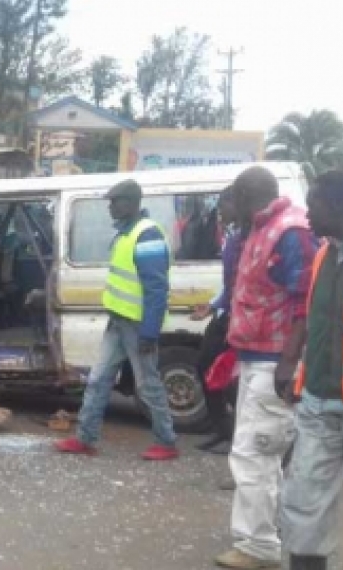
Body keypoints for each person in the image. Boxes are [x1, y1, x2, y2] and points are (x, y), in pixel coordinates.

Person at [214, 166, 317, 570]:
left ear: (244, 196)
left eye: (234, 198)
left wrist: (289, 360)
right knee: (262, 454)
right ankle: (263, 536)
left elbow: (306, 300)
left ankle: (258, 546)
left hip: (275, 363)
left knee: (253, 455)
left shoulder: (289, 232)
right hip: (257, 358)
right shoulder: (261, 229)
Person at [281, 170, 343, 570]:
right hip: (318, 405)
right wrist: (292, 365)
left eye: (313, 206)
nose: (307, 215)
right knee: (303, 509)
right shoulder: (324, 253)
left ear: (337, 207)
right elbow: (315, 318)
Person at [56, 179, 178, 461]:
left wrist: (149, 332)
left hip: (136, 326)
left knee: (147, 385)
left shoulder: (146, 235)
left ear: (132, 203)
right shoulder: (127, 232)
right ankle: (85, 438)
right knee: (98, 380)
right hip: (119, 322)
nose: (110, 207)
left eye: (115, 201)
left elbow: (156, 289)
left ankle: (167, 442)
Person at [190, 186, 242, 456]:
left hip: (239, 317)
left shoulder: (249, 239)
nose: (219, 211)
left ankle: (234, 432)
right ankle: (223, 429)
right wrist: (212, 305)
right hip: (224, 314)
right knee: (204, 367)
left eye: (224, 205)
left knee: (230, 376)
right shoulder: (233, 236)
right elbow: (230, 283)